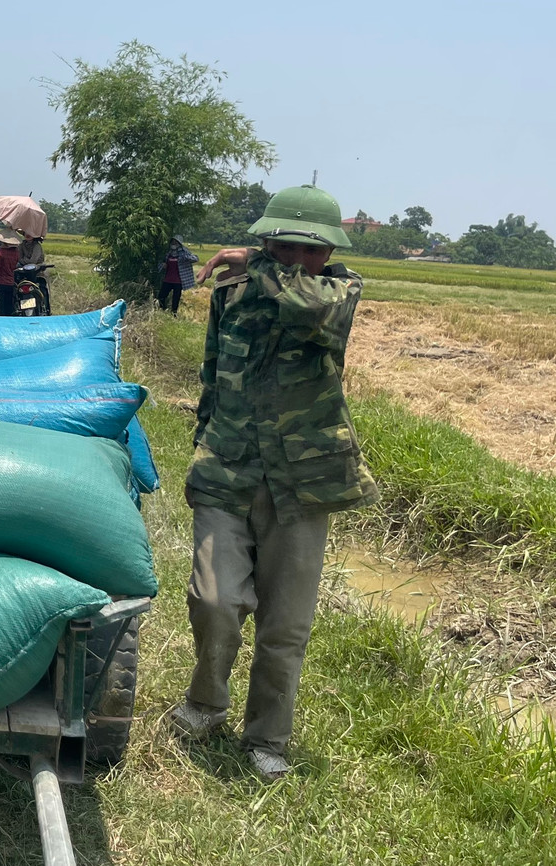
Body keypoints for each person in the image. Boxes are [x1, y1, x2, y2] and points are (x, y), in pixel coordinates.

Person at [169, 184, 379, 782]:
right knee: (214, 601)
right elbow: (212, 367)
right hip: (228, 469)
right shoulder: (233, 291)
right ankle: (206, 704)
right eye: (281, 246)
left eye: (307, 250)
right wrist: (204, 436)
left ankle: (267, 737)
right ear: (267, 239)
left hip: (303, 482)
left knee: (284, 625)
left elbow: (312, 311)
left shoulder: (340, 290)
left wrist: (260, 265)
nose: (295, 259)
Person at [157, 234, 198, 314]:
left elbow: (195, 259)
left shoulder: (184, 252)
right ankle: (162, 311)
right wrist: (163, 265)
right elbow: (161, 262)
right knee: (161, 296)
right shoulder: (168, 253)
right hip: (168, 279)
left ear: (179, 243)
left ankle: (174, 314)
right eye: (173, 242)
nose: (174, 244)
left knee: (176, 299)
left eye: (176, 242)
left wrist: (185, 257)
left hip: (178, 281)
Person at [0, 228, 22, 316]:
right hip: (11, 284)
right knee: (9, 308)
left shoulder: (0, 252)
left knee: (0, 309)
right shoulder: (16, 252)